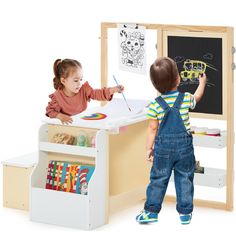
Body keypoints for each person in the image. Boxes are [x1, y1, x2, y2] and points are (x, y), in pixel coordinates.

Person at [136, 57, 206, 224]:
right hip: (184, 148)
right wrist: (202, 82)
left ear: (154, 85)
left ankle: (151, 212)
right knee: (185, 178)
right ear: (178, 79)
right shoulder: (186, 98)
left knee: (158, 179)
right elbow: (197, 98)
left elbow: (153, 128)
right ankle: (185, 213)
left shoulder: (154, 105)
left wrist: (148, 148)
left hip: (163, 150)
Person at [46, 59, 124, 124]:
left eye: (81, 79)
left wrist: (113, 90)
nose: (80, 83)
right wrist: (60, 116)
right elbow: (50, 111)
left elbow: (97, 94)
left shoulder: (84, 89)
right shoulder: (57, 97)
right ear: (63, 80)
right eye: (76, 80)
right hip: (67, 126)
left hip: (82, 123)